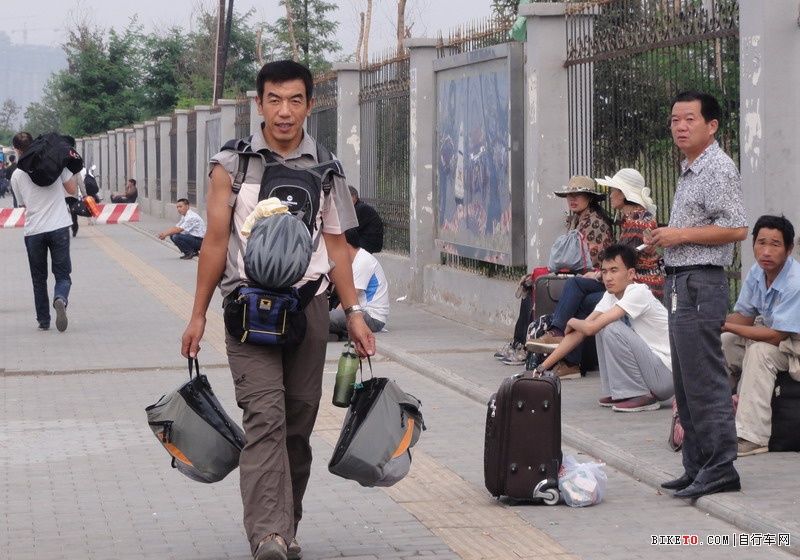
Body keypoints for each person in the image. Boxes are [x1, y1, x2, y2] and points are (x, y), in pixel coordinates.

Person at [181, 60, 375, 560]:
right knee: (264, 415)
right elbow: (215, 244)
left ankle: (287, 526)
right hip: (247, 310)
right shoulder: (232, 165)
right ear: (259, 103)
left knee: (297, 422)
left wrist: (353, 312)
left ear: (311, 104)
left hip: (308, 307)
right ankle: (268, 535)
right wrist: (198, 314)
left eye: (294, 100)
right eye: (274, 100)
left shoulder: (327, 168)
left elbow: (337, 249)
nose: (284, 111)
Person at [651, 90, 748, 500]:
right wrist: (667, 240)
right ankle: (696, 466)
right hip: (679, 281)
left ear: (712, 125)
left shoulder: (717, 168)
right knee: (686, 381)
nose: (680, 126)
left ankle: (721, 467)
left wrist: (680, 235)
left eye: (689, 119)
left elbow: (737, 228)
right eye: (675, 119)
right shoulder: (691, 167)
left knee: (706, 380)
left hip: (701, 283)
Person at [525, 168, 664, 376]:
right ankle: (557, 337)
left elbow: (623, 260)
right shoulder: (628, 218)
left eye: (614, 190)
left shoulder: (637, 221)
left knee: (582, 301)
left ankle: (565, 351)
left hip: (636, 286)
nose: (611, 195)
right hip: (618, 280)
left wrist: (598, 274)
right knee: (575, 285)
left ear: (624, 194)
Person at [534, 244, 674, 411]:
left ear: (631, 274)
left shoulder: (638, 292)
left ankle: (638, 394)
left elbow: (589, 327)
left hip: (666, 375)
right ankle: (618, 392)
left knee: (610, 327)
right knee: (603, 327)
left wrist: (572, 321)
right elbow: (583, 330)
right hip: (650, 368)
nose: (607, 278)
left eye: (614, 270)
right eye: (605, 271)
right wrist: (541, 368)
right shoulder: (610, 296)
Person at [494, 175, 614, 366]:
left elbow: (591, 261)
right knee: (532, 283)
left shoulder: (595, 223)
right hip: (577, 275)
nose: (572, 199)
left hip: (593, 277)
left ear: (589, 198)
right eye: (570, 195)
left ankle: (530, 345)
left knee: (542, 286)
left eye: (578, 195)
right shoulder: (576, 220)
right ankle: (522, 343)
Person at [721, 215, 800, 456]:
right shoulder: (757, 272)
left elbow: (777, 336)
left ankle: (753, 437)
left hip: (794, 346)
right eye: (761, 243)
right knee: (725, 342)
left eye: (775, 245)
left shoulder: (795, 281)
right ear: (753, 243)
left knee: (760, 352)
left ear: (789, 249)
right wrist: (714, 322)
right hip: (779, 339)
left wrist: (725, 325)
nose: (766, 251)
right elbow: (744, 317)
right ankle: (716, 417)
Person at [10, 132, 78, 332]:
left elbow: (22, 204)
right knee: (63, 275)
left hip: (34, 232)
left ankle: (43, 320)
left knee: (39, 278)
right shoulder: (54, 160)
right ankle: (60, 298)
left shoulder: (16, 174)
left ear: (17, 150)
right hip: (59, 228)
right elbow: (72, 190)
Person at [329, 228, 390, 340]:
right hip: (359, 312)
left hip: (372, 317)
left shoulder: (363, 261)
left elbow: (350, 296)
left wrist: (331, 317)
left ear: (345, 245)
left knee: (326, 319)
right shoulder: (352, 260)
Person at [348, 185, 384, 253]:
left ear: (353, 197)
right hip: (362, 239)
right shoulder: (354, 208)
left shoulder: (361, 208)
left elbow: (352, 229)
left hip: (370, 241)